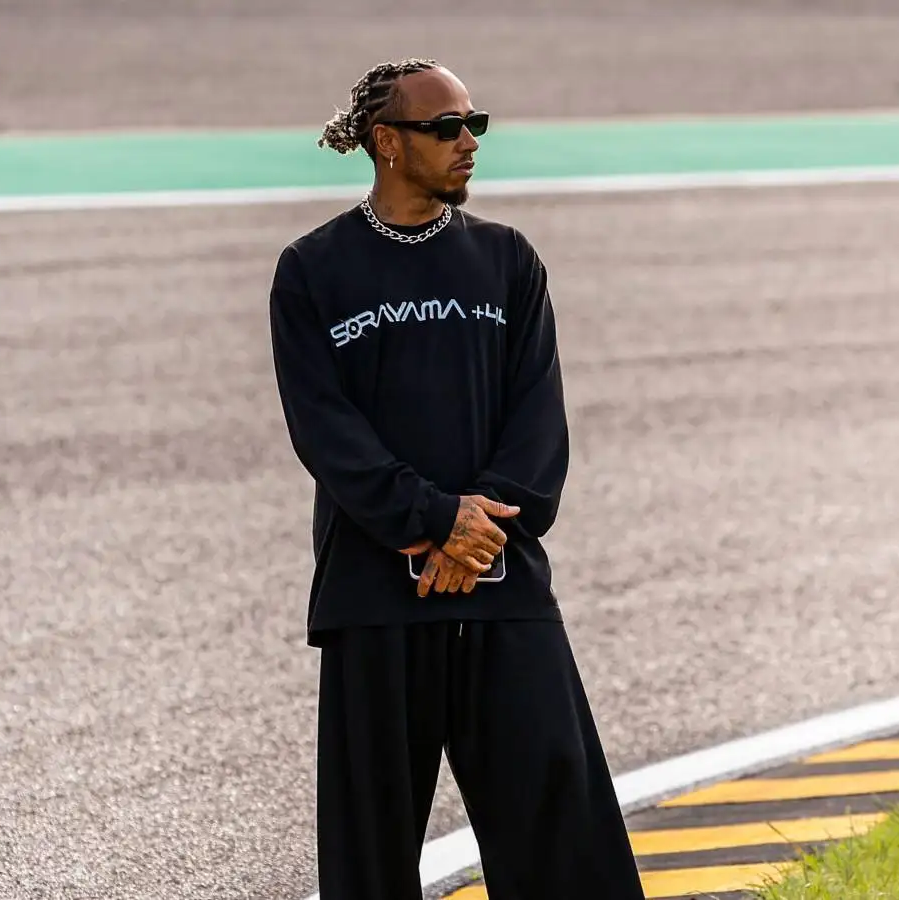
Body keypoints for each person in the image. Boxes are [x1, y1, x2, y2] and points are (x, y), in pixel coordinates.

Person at [267, 58, 647, 900]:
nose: (468, 141)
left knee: (564, 830)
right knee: (370, 854)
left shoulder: (508, 262)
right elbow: (326, 433)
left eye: (476, 123)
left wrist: (474, 537)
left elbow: (538, 423)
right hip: (374, 596)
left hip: (502, 586)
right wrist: (435, 518)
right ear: (387, 143)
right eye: (446, 127)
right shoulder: (313, 271)